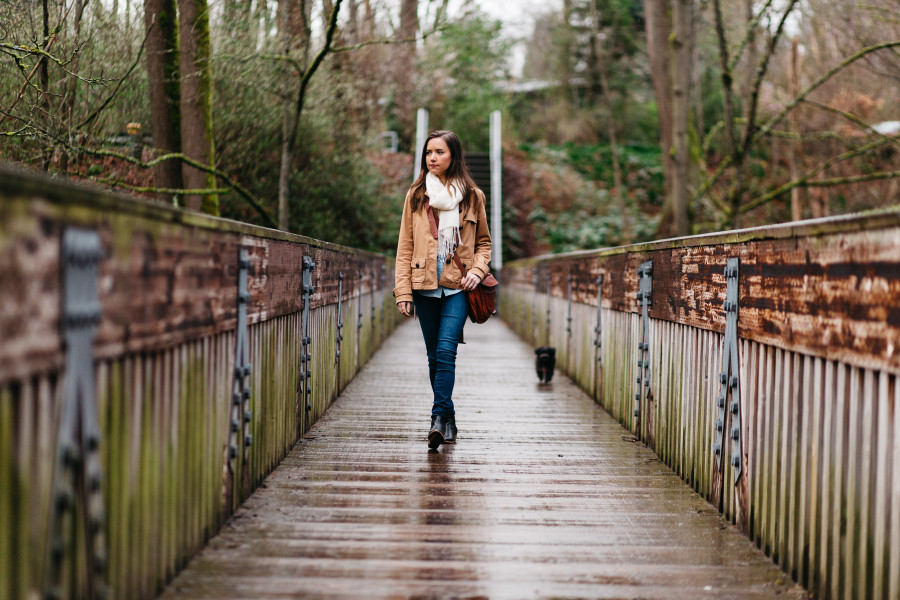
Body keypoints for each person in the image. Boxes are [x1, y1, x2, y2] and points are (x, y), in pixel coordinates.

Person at [394, 130, 493, 450]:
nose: (432, 158)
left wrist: (477, 272)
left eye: (439, 152)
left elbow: (484, 245)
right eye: (428, 153)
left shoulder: (473, 196)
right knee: (434, 356)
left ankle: (437, 418)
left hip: (458, 287)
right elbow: (404, 248)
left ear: (454, 156)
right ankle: (448, 415)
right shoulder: (417, 196)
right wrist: (403, 291)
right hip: (423, 287)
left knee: (446, 351)